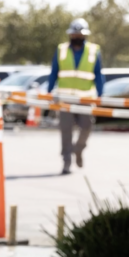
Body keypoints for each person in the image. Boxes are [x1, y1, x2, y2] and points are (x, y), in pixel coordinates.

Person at [46, 18, 104, 175]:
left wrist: (100, 94)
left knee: (86, 127)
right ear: (70, 35)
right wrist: (49, 91)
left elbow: (98, 74)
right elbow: (54, 72)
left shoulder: (93, 50)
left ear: (85, 36)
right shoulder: (61, 50)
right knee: (66, 131)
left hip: (85, 99)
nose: (77, 37)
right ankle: (66, 161)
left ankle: (78, 149)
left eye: (80, 34)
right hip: (65, 98)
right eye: (74, 34)